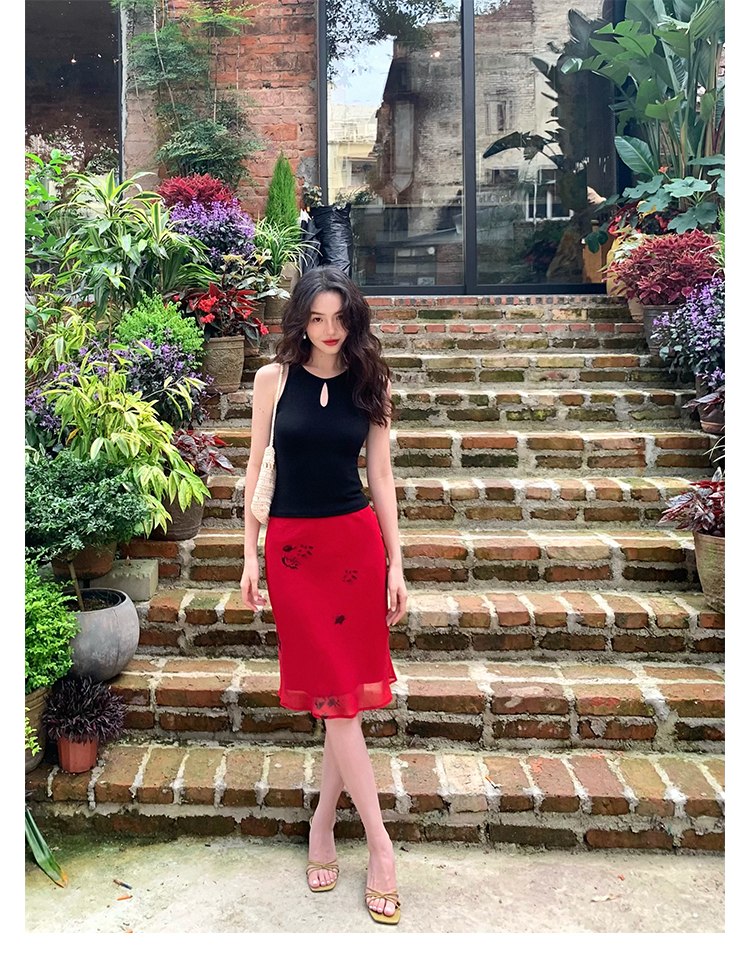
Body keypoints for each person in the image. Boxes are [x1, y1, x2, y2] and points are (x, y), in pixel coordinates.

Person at [240, 265, 408, 925]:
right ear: (300, 321)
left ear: (353, 320)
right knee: (336, 699)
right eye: (316, 318)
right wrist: (248, 556)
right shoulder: (273, 380)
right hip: (293, 552)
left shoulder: (372, 383)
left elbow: (382, 478)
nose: (328, 330)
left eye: (339, 318)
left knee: (341, 701)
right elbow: (257, 468)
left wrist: (397, 564)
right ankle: (375, 842)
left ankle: (329, 827)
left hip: (354, 549)